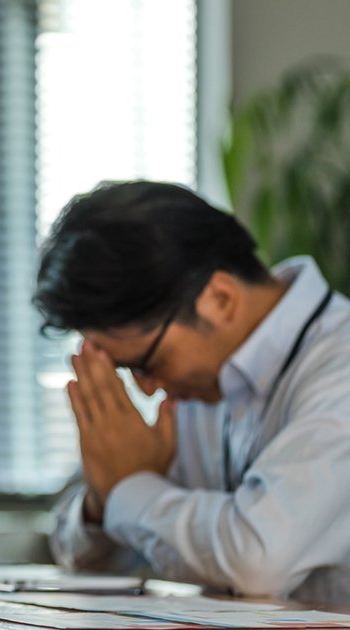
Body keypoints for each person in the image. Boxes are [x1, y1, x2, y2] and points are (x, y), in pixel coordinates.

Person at [34, 180, 350, 604]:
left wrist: (129, 485)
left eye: (146, 364)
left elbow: (256, 561)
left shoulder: (339, 364)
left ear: (220, 299)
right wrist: (101, 493)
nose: (146, 389)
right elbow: (81, 557)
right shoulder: (194, 386)